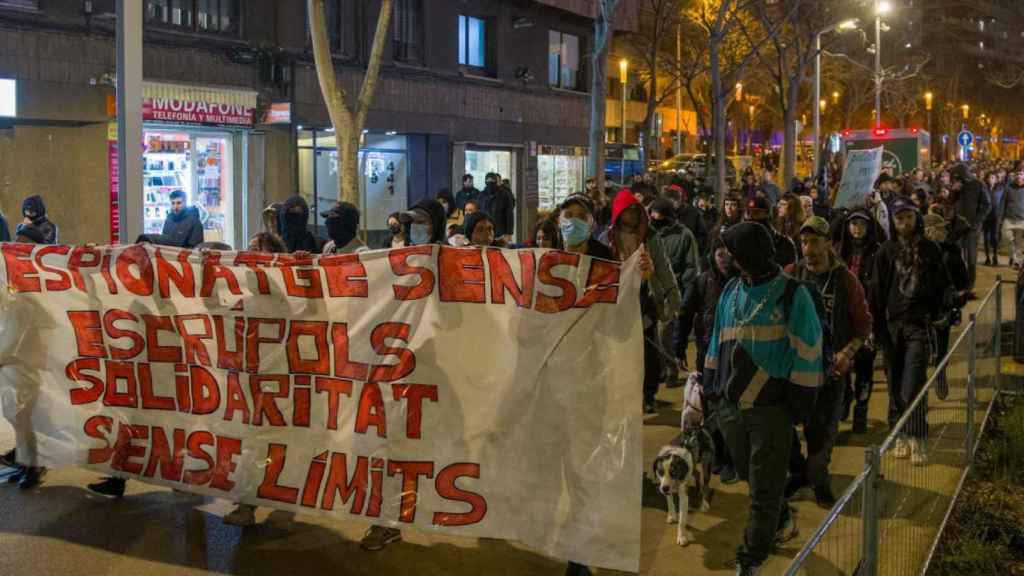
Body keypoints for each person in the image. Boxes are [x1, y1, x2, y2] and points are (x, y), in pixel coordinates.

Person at [705, 221, 823, 575]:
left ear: (748, 255)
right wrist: (712, 388)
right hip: (730, 409)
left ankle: (751, 558)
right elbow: (716, 340)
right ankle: (781, 516)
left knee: (763, 491)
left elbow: (809, 351)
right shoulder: (730, 290)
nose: (726, 256)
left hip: (771, 411)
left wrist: (798, 407)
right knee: (751, 477)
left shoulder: (792, 294)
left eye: (733, 251)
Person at [360, 199, 446, 553]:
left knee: (437, 451)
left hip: (441, 372)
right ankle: (386, 522)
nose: (415, 227)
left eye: (423, 221)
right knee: (391, 448)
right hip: (398, 371)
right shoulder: (391, 260)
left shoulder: (452, 258)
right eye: (411, 222)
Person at [785, 216, 872, 508]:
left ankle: (818, 481)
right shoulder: (791, 275)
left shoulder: (846, 280)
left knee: (822, 434)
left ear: (828, 244)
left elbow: (863, 327)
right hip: (795, 372)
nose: (809, 249)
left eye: (814, 242)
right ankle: (799, 475)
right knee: (786, 429)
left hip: (830, 374)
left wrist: (846, 354)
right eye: (804, 242)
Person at [870, 199, 952, 466]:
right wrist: (876, 328)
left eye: (908, 217)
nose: (904, 223)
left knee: (913, 382)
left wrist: (940, 315)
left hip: (919, 325)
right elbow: (877, 291)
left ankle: (918, 437)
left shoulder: (930, 250)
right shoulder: (885, 251)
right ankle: (900, 435)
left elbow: (942, 285)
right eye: (899, 218)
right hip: (892, 327)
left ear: (916, 218)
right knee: (894, 383)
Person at [607, 192, 681, 415]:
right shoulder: (608, 238)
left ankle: (647, 395)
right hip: (617, 301)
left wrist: (672, 297)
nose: (631, 215)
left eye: (634, 210)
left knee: (647, 349)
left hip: (644, 299)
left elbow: (663, 267)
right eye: (627, 211)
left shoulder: (650, 237)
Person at [678, 237, 740, 483]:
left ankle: (733, 460)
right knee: (711, 408)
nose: (724, 255)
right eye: (719, 251)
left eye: (729, 250)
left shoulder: (743, 281)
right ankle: (719, 457)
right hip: (709, 356)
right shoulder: (703, 281)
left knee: (732, 410)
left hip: (737, 357)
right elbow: (685, 313)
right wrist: (679, 346)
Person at [835, 209, 885, 433]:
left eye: (862, 224)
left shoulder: (877, 253)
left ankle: (861, 410)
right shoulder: (839, 252)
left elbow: (880, 289)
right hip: (842, 320)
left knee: (864, 369)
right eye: (853, 224)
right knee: (842, 367)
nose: (857, 228)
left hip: (867, 318)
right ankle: (843, 402)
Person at [650, 198, 699, 387]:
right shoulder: (649, 233)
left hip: (672, 290)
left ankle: (671, 369)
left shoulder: (684, 235)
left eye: (658, 215)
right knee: (653, 333)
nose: (654, 217)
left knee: (665, 332)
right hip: (651, 290)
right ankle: (660, 369)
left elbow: (691, 266)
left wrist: (685, 294)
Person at [923, 213, 969, 401]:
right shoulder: (916, 251)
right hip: (922, 309)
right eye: (941, 228)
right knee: (923, 350)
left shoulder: (952, 251)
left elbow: (963, 280)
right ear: (929, 230)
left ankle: (940, 377)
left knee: (941, 347)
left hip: (943, 308)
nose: (945, 231)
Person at [949, 164, 991, 290]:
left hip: (973, 228)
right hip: (957, 227)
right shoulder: (957, 186)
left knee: (971, 259)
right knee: (955, 256)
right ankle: (958, 282)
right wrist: (954, 191)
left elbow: (987, 205)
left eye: (959, 177)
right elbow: (952, 203)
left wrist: (977, 221)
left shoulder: (979, 184)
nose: (957, 180)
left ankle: (969, 285)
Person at [744, 196, 797, 268]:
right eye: (748, 212)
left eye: (756, 213)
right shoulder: (741, 241)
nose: (750, 216)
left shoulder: (783, 242)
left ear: (767, 213)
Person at [480, 173, 515, 242]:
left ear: (496, 181)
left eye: (492, 181)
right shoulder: (482, 195)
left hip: (501, 233)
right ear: (485, 182)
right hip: (485, 232)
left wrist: (509, 233)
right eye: (488, 180)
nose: (490, 183)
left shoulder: (504, 194)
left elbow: (509, 214)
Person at [983, 171, 1006, 266]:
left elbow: (1003, 203)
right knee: (986, 237)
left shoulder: (1001, 189)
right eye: (989, 177)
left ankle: (995, 257)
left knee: (995, 237)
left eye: (993, 178)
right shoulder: (983, 189)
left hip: (996, 216)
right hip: (985, 216)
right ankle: (988, 258)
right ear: (986, 179)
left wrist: (1002, 215)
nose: (991, 179)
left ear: (996, 180)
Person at [1002, 169, 1024, 268]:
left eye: (1021, 174)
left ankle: (1018, 262)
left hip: (1022, 219)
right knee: (1006, 238)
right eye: (1017, 174)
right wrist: (999, 217)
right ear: (1014, 176)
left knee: (1019, 243)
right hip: (1009, 218)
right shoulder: (1008, 188)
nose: (1019, 176)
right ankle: (1014, 258)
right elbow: (1002, 203)